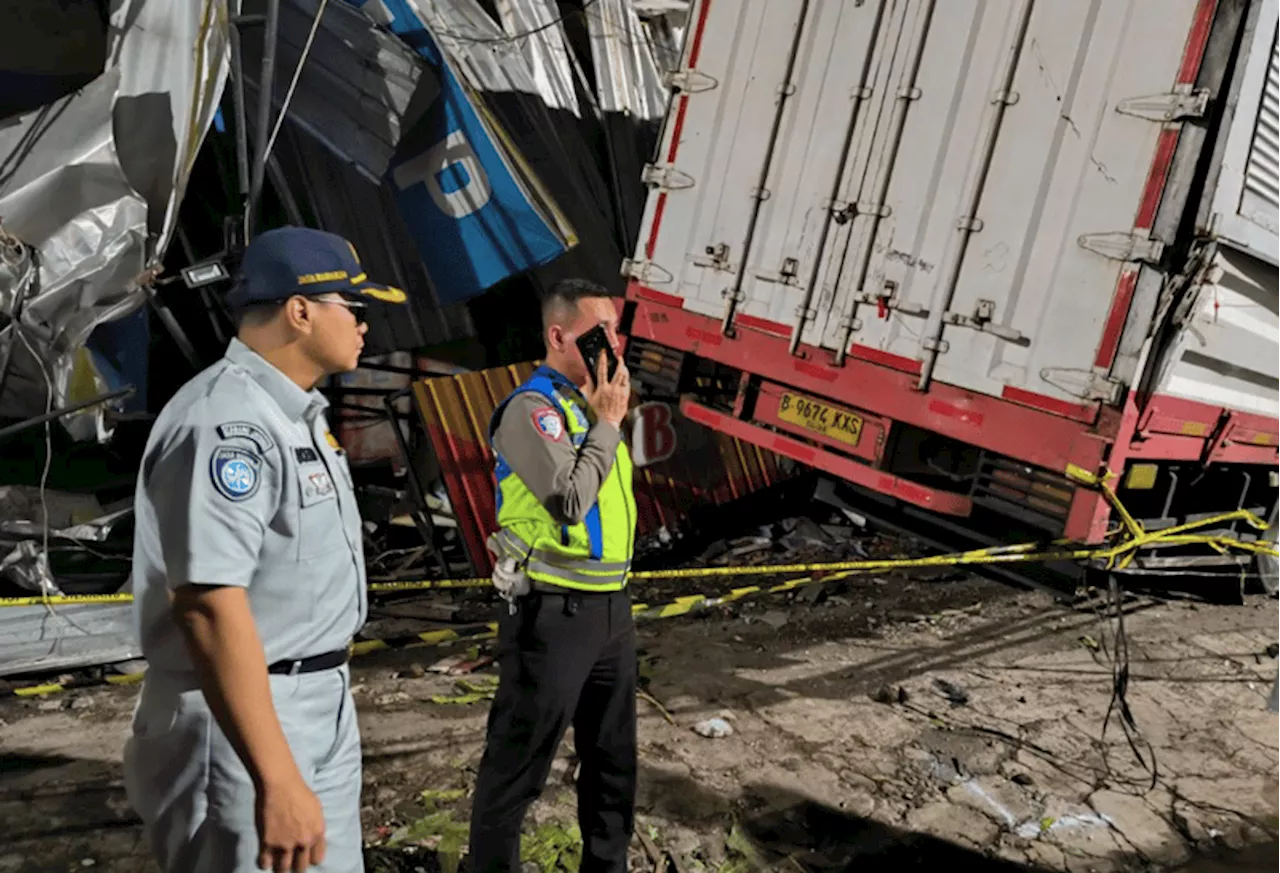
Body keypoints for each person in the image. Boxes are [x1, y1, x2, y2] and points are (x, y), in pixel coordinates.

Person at [123, 226, 407, 873]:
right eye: (354, 309)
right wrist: (275, 777)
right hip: (244, 717)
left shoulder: (294, 415)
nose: (365, 326)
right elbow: (208, 604)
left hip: (315, 697)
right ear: (300, 311)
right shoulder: (226, 425)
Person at [467, 278, 637, 873]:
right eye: (601, 333)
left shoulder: (591, 407)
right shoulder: (531, 409)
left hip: (611, 609)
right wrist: (608, 425)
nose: (615, 344)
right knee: (518, 767)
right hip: (552, 613)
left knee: (613, 762)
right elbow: (568, 501)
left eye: (617, 330)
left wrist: (604, 420)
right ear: (559, 335)